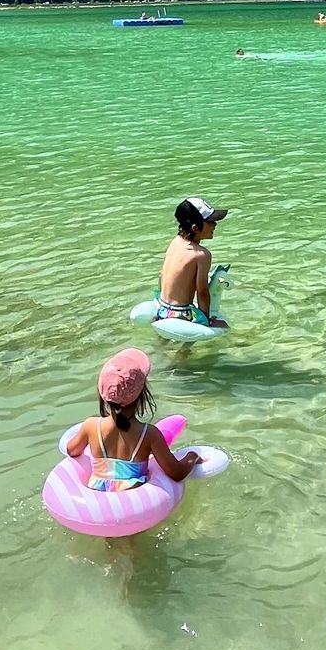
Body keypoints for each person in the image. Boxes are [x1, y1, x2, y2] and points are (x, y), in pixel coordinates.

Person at [63, 349, 200, 491]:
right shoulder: (149, 434)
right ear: (142, 394)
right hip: (133, 497)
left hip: (98, 499)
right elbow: (176, 473)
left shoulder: (90, 426)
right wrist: (192, 456)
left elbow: (71, 450)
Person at [157, 197, 229, 329]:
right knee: (224, 326)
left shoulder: (175, 242)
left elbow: (162, 276)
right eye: (211, 221)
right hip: (180, 314)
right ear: (196, 228)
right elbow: (202, 292)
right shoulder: (201, 255)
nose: (215, 225)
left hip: (161, 308)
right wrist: (206, 321)